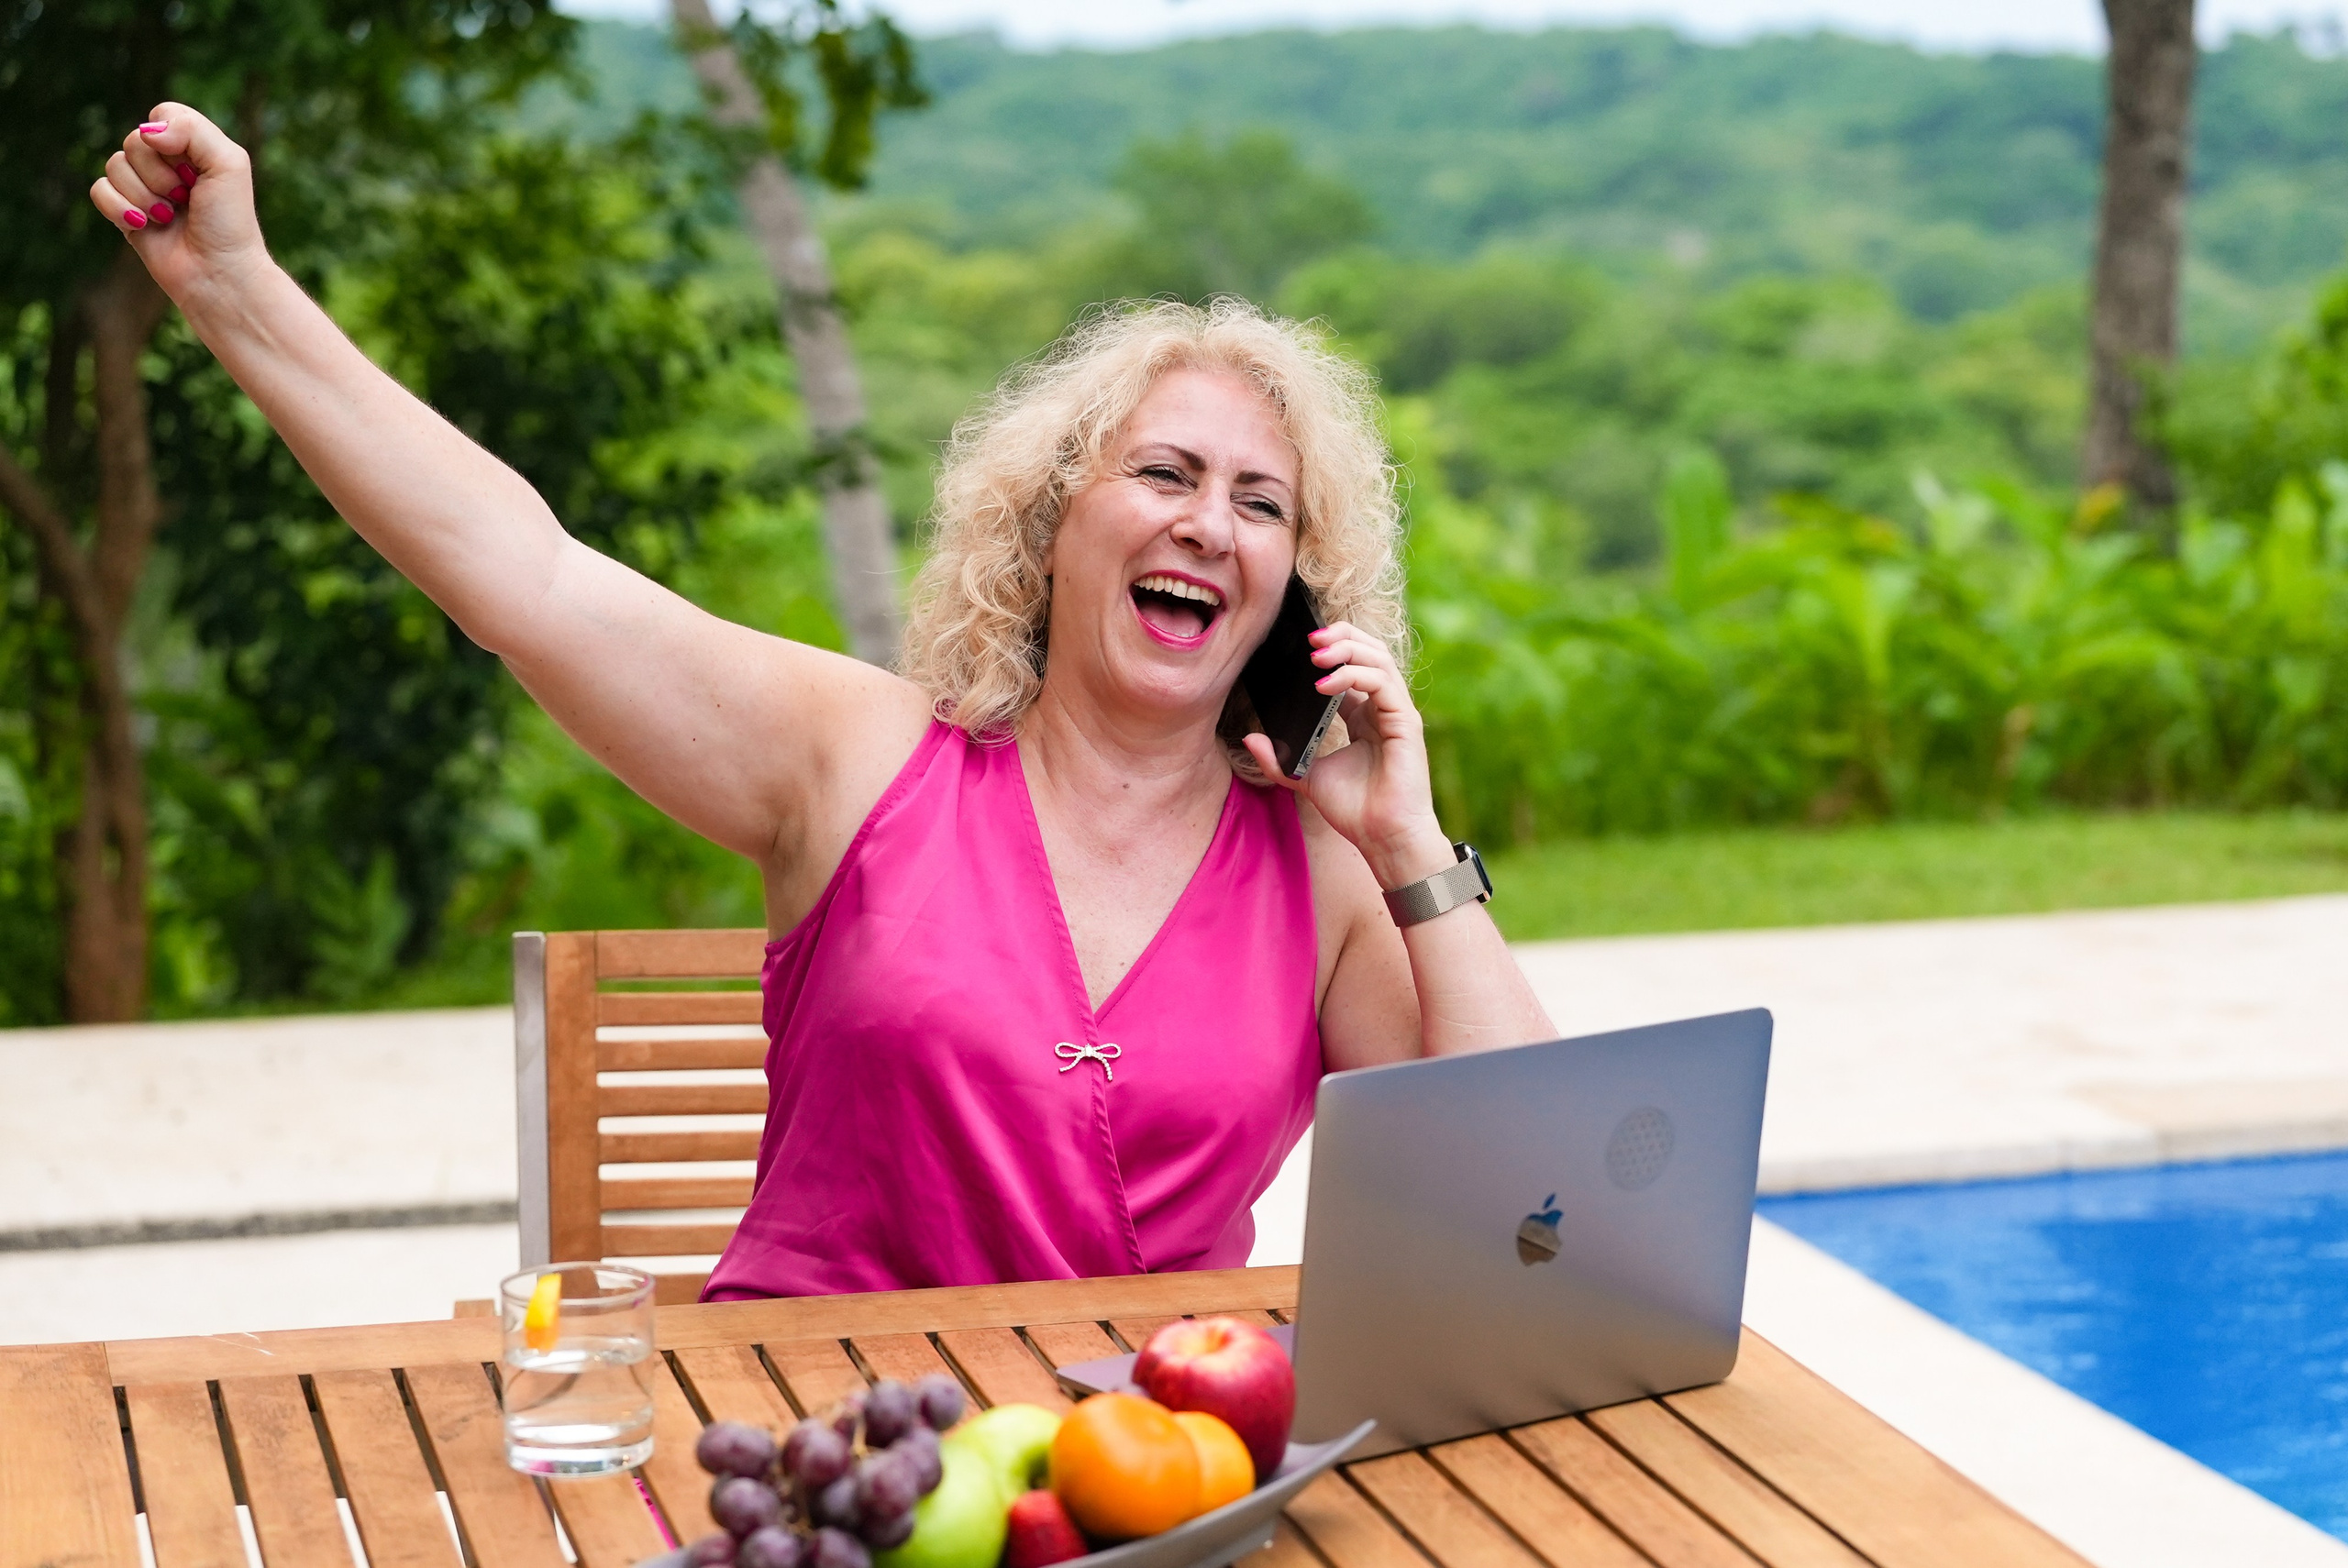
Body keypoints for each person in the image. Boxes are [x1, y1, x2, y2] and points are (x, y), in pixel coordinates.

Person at [90, 106, 1556, 1297]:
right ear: (1051, 527)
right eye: (1163, 475)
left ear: (1296, 585)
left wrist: (1413, 850)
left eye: (1260, 505)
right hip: (815, 1466)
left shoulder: (1328, 872)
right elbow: (524, 575)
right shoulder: (856, 756)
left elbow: (1518, 1214)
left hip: (1156, 1480)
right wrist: (233, 287)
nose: (1207, 526)